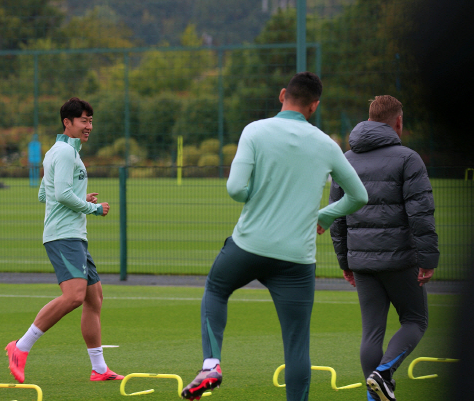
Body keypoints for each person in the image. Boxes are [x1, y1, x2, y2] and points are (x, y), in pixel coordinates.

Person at [181, 72, 369, 400]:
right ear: (314, 106)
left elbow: (236, 189)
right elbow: (358, 196)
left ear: (283, 95)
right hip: (296, 259)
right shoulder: (327, 144)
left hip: (249, 246)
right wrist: (323, 215)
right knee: (296, 343)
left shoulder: (255, 130)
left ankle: (211, 365)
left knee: (216, 288)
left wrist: (262, 193)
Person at [329, 95, 438, 401]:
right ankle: (384, 373)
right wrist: (427, 258)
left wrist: (345, 261)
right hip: (401, 259)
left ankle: (375, 395)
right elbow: (421, 214)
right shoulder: (408, 158)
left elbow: (336, 216)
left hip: (361, 260)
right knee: (415, 320)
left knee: (372, 332)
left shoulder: (346, 159)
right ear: (398, 122)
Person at [6, 97, 123, 383]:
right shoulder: (65, 153)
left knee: (94, 299)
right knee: (74, 297)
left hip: (74, 236)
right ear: (67, 122)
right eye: (83, 120)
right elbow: (59, 195)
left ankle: (99, 368)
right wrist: (93, 208)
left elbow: (45, 194)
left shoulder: (61, 152)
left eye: (91, 120)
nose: (88, 126)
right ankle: (20, 347)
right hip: (63, 236)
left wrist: (78, 198)